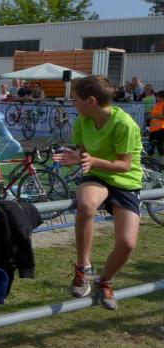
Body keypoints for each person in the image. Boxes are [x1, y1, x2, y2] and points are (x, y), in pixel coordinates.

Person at [52, 75, 143, 310]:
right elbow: (86, 155)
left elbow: (125, 165)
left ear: (91, 101)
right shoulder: (83, 121)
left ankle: (104, 281)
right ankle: (84, 268)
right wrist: (78, 157)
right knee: (86, 205)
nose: (72, 103)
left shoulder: (124, 124)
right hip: (98, 176)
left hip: (125, 181)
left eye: (75, 99)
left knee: (127, 243)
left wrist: (91, 160)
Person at [149, 90, 164, 157]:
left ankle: (162, 162)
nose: (156, 97)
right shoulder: (158, 104)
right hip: (154, 129)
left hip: (161, 129)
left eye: (157, 96)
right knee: (151, 147)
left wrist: (153, 116)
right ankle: (150, 161)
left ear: (162, 97)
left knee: (160, 146)